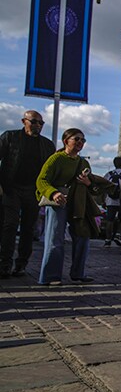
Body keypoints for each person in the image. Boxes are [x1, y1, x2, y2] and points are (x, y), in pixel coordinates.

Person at [35, 128, 112, 285]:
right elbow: (41, 180)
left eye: (82, 140)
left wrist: (88, 183)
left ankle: (78, 273)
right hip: (58, 201)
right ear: (66, 141)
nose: (80, 143)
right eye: (76, 139)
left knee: (82, 236)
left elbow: (93, 188)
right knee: (55, 239)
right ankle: (51, 276)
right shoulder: (56, 159)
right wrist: (53, 193)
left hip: (77, 202)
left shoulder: (83, 162)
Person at [0, 110, 54, 278]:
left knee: (28, 229)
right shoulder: (10, 137)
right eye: (34, 122)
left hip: (33, 190)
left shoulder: (47, 144)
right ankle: (5, 264)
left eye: (41, 123)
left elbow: (50, 169)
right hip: (11, 187)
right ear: (24, 121)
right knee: (9, 225)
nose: (38, 125)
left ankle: (21, 264)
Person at [103, 157, 121, 247]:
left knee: (109, 220)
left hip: (110, 200)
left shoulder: (109, 174)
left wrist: (103, 199)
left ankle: (107, 239)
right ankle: (118, 234)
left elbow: (103, 187)